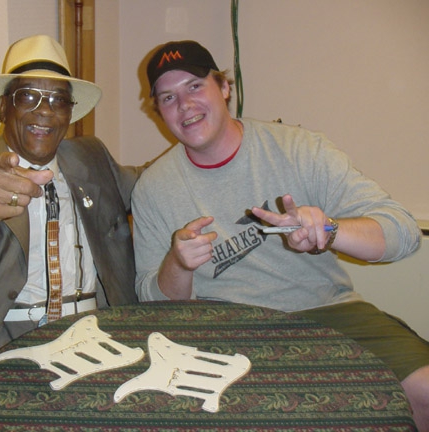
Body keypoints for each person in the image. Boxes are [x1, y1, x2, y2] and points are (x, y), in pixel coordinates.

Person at [132, 40, 429, 430]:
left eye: (194, 86)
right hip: (224, 325)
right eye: (168, 97)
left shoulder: (300, 149)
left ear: (223, 87)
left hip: (330, 311)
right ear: (159, 113)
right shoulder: (153, 188)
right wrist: (177, 264)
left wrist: (330, 230)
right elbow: (150, 301)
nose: (184, 105)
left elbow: (403, 231)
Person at [0, 35, 142, 432]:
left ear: (71, 111)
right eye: (28, 96)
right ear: (4, 105)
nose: (45, 112)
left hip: (94, 330)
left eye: (57, 100)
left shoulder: (91, 156)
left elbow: (150, 186)